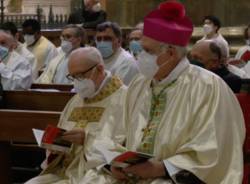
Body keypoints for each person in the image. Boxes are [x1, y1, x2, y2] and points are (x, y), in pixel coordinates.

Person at [80, 1, 245, 183]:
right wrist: (112, 164)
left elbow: (216, 151)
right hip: (129, 175)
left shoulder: (208, 87)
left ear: (171, 53)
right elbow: (114, 133)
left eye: (147, 51)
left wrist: (162, 168)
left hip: (173, 178)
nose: (139, 56)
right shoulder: (139, 84)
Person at [25, 47, 127, 184]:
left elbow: (126, 146)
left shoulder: (124, 99)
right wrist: (55, 147)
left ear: (100, 69)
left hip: (100, 174)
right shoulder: (76, 100)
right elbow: (61, 138)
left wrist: (87, 140)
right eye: (72, 77)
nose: (76, 82)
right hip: (66, 171)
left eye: (80, 75)